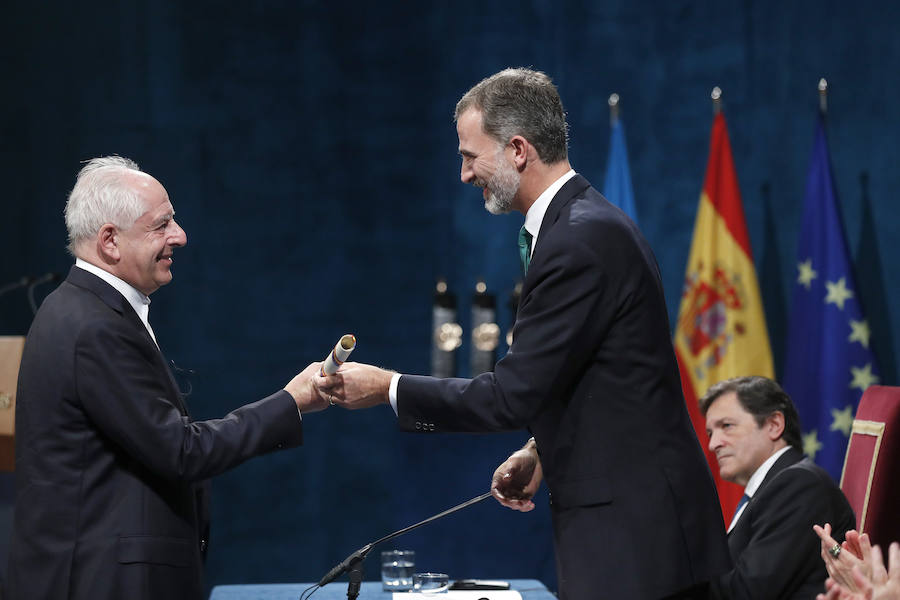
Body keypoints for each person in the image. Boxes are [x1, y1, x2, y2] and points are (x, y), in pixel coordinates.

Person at [316, 68, 731, 600]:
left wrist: (386, 388)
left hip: (636, 539)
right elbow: (598, 377)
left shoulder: (578, 239)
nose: (464, 174)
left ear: (517, 149)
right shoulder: (579, 226)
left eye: (470, 156)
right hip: (630, 527)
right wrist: (541, 446)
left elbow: (511, 394)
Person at [6, 156, 328, 600]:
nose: (180, 236)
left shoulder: (84, 312)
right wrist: (291, 401)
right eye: (162, 225)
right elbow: (181, 451)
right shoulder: (93, 325)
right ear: (110, 241)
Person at [701, 376, 856, 599]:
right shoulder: (772, 488)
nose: (713, 444)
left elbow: (746, 593)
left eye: (726, 426)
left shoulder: (799, 485)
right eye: (710, 433)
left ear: (774, 425)